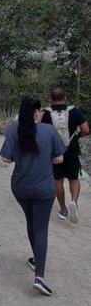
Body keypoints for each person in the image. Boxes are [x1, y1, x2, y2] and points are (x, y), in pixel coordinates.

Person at [0, 97, 65, 296]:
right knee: (41, 229)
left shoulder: (13, 130)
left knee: (31, 222)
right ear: (37, 112)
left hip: (20, 188)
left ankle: (36, 258)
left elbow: (5, 158)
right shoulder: (48, 130)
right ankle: (39, 278)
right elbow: (59, 158)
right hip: (44, 189)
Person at [42, 87, 89, 223]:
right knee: (74, 179)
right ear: (65, 97)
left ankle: (63, 209)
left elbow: (42, 133)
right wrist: (77, 136)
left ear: (51, 98)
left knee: (58, 181)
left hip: (55, 152)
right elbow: (86, 129)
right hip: (72, 150)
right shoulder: (74, 111)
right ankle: (74, 202)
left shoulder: (46, 113)